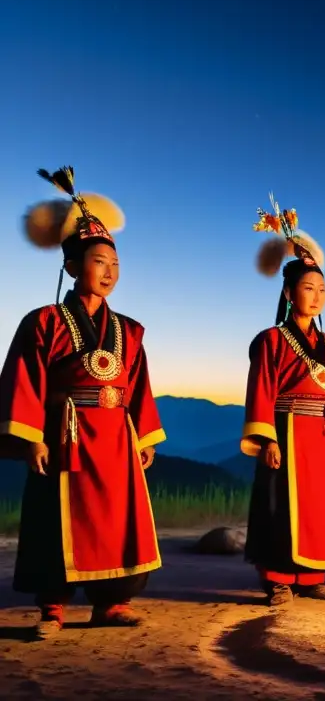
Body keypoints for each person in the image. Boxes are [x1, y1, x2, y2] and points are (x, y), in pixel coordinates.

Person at [0, 167, 164, 638]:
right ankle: (52, 606)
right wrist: (32, 439)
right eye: (98, 262)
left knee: (116, 517)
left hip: (115, 436)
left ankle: (111, 602)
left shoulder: (130, 331)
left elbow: (139, 384)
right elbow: (25, 380)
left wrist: (145, 435)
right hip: (64, 433)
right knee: (56, 517)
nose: (109, 272)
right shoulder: (45, 322)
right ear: (72, 267)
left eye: (115, 264)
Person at [240, 194, 325, 607]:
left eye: (322, 289)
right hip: (288, 431)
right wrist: (269, 439)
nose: (316, 296)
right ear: (290, 292)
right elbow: (261, 389)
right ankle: (277, 579)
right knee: (281, 506)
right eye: (307, 288)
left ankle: (312, 576)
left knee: (321, 509)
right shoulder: (271, 340)